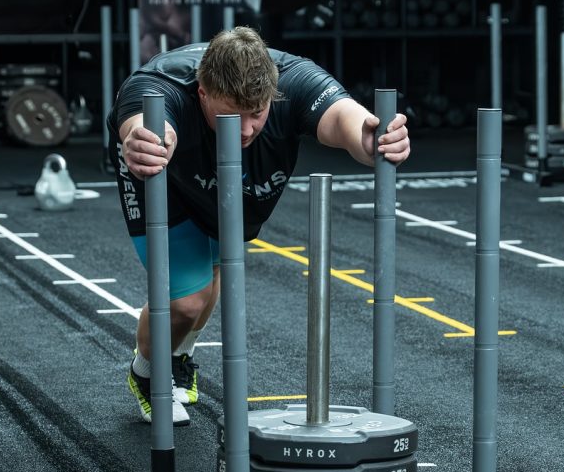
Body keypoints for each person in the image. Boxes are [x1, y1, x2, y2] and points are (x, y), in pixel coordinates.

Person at [109, 26, 410, 425]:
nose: (247, 129)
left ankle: (179, 357)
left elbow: (344, 117)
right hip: (164, 175)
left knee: (213, 267)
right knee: (187, 300)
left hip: (223, 180)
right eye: (231, 114)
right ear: (203, 93)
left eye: (257, 113)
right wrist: (144, 139)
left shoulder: (293, 79)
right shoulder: (159, 86)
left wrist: (369, 139)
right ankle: (145, 373)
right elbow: (142, 124)